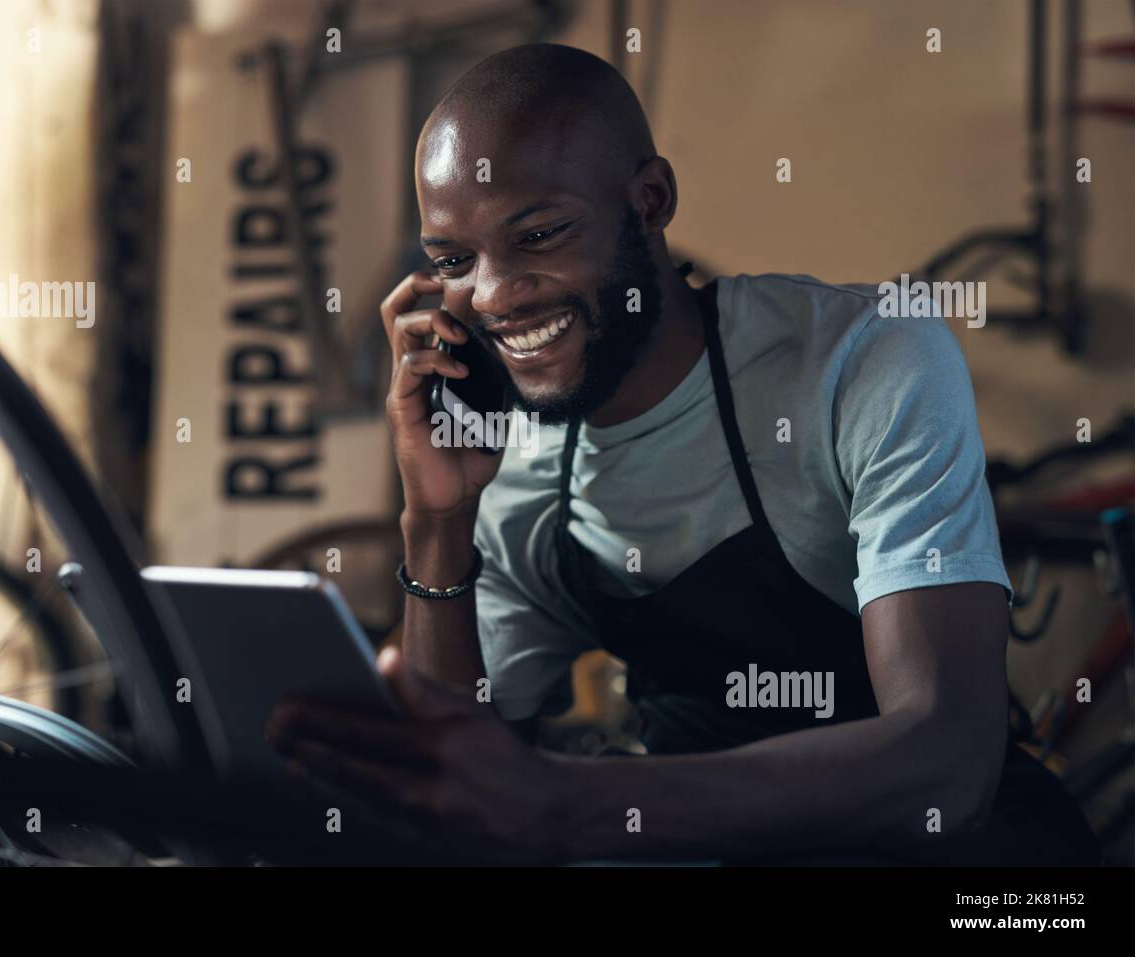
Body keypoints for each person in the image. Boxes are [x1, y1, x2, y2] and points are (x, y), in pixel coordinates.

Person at [265, 43, 1100, 865]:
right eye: (453, 261)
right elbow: (449, 794)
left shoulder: (864, 364)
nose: (490, 294)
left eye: (541, 234)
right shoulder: (520, 475)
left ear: (651, 199)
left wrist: (561, 804)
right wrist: (438, 519)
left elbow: (943, 772)